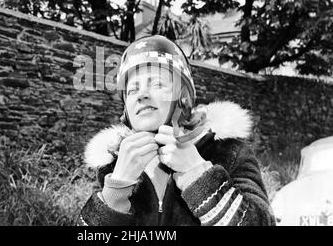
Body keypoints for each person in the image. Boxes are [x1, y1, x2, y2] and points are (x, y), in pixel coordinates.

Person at [77, 35, 275, 226]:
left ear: (183, 97)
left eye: (156, 84)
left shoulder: (229, 151)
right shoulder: (112, 166)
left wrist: (198, 174)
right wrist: (116, 189)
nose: (142, 95)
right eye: (132, 90)